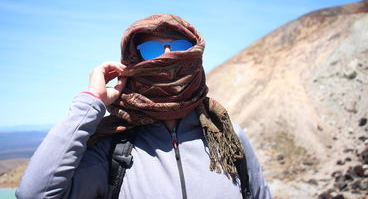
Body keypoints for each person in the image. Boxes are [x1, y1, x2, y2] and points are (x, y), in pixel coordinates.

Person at [16, 14, 271, 199]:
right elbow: (35, 194)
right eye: (151, 50)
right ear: (134, 60)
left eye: (180, 46)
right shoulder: (113, 147)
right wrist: (91, 102)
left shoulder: (226, 137)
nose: (168, 55)